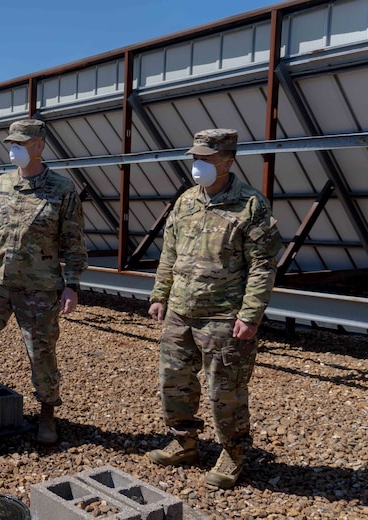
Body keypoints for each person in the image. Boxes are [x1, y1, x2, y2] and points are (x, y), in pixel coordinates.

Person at [146, 128, 282, 489]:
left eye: (206, 159)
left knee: (226, 390)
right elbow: (169, 253)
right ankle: (184, 441)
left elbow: (263, 266)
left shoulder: (251, 205)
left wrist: (250, 315)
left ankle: (233, 453)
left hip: (223, 316)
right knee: (174, 382)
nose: (198, 164)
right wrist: (159, 295)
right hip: (180, 311)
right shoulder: (187, 201)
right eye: (195, 157)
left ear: (228, 161)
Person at [0, 118, 88, 445]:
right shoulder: (0, 185)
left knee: (42, 353)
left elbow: (73, 242)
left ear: (39, 147)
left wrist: (71, 284)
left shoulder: (62, 190)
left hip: (39, 288)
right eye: (12, 144)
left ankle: (47, 414)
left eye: (21, 144)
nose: (14, 149)